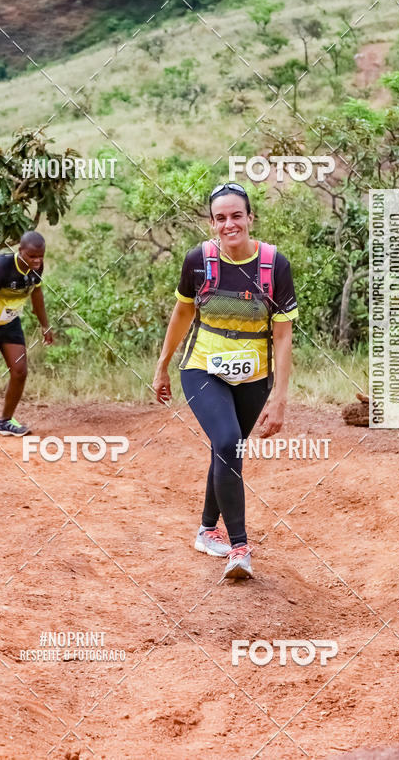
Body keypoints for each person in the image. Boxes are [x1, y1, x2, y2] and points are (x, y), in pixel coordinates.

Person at [153, 183, 298, 580]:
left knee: (226, 448)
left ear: (251, 218)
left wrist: (280, 397)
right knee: (228, 441)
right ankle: (239, 547)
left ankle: (205, 529)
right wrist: (163, 365)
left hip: (255, 376)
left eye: (237, 215)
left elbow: (283, 336)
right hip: (202, 369)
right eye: (220, 218)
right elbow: (182, 314)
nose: (229, 224)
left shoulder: (273, 265)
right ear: (212, 222)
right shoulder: (198, 261)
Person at [0, 231, 53, 436]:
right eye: (32, 256)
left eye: (41, 256)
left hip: (8, 322)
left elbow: (36, 293)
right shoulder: (1, 267)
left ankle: (5, 422)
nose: (37, 260)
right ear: (21, 252)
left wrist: (44, 325)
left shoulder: (36, 267)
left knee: (20, 371)